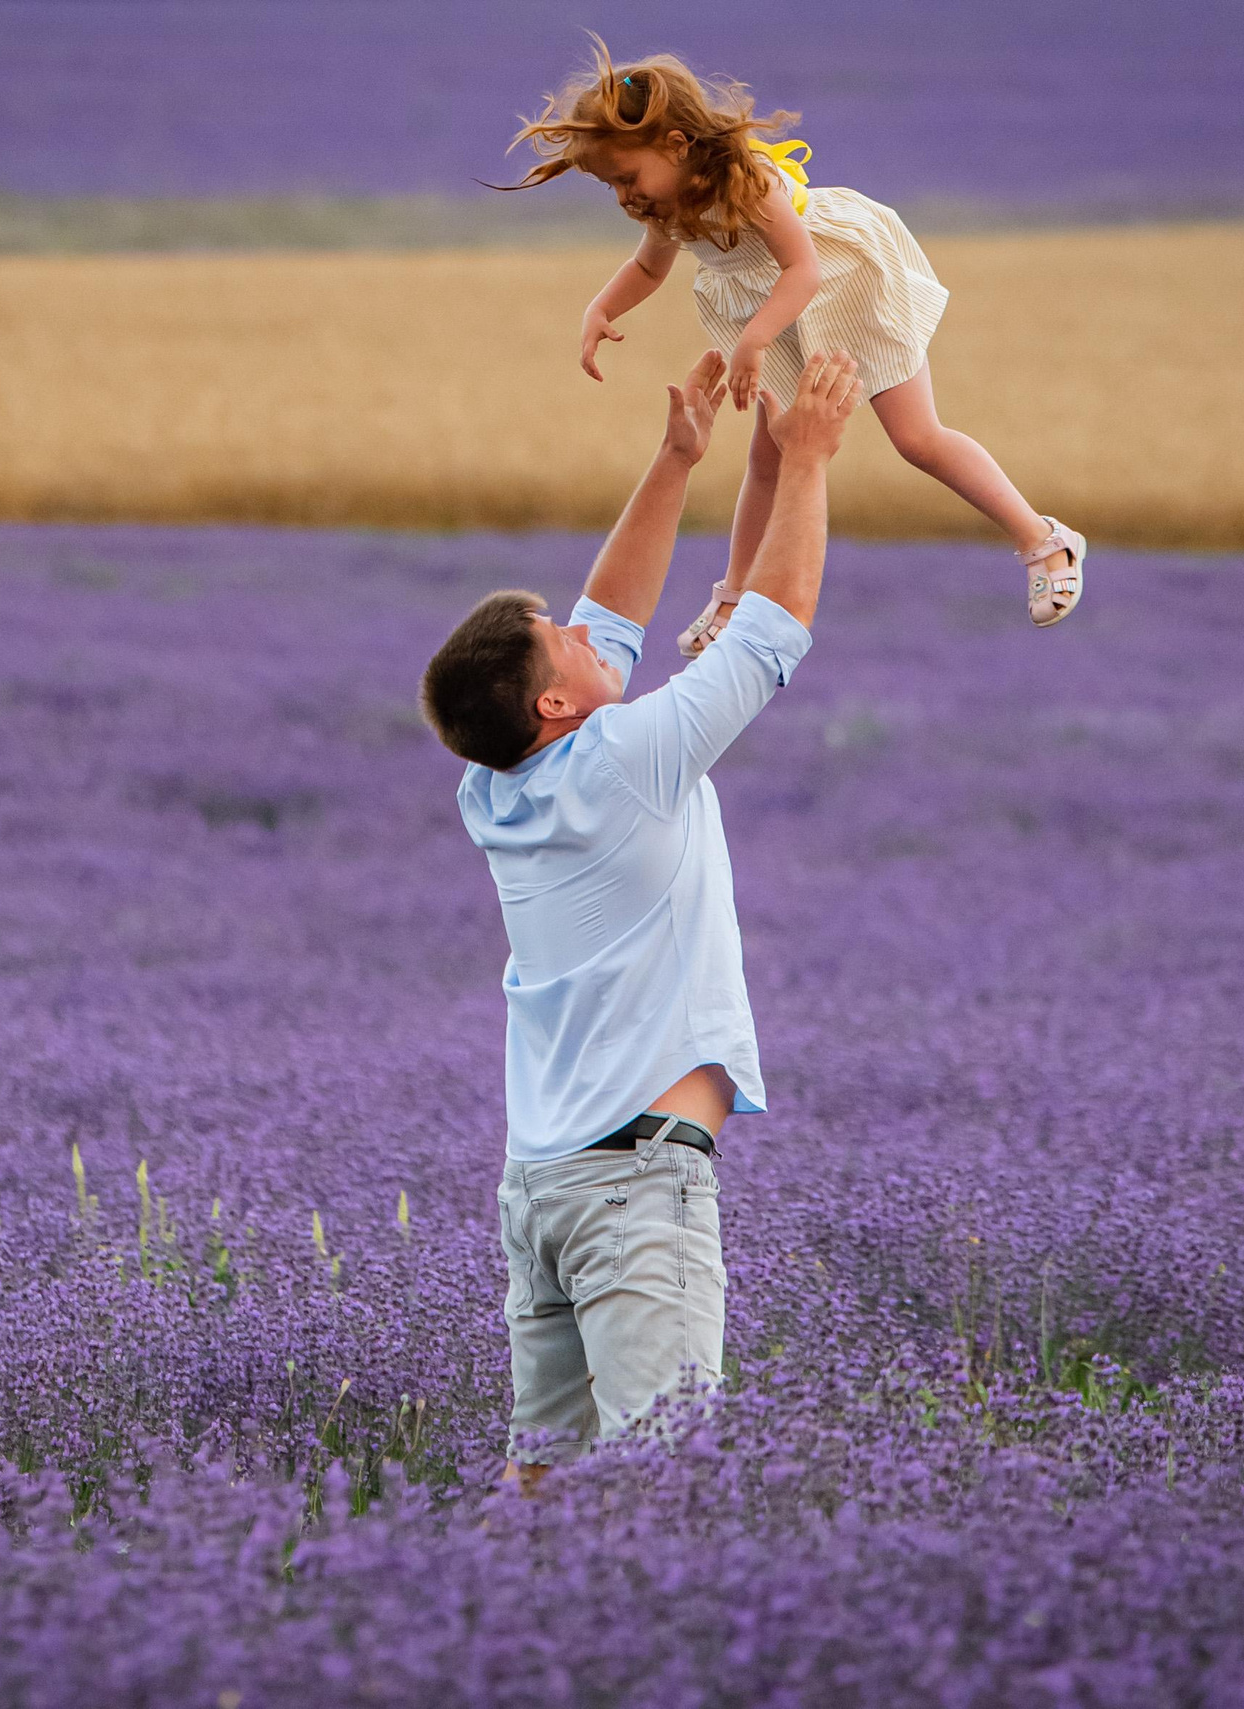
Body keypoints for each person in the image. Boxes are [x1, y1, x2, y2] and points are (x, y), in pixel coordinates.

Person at [418, 347, 862, 1491]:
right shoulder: (625, 757)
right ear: (557, 702)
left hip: (543, 1188)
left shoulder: (495, 783)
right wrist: (806, 460)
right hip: (634, 1191)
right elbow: (775, 627)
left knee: (541, 1482)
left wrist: (675, 461)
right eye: (556, 639)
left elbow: (607, 618)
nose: (580, 630)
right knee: (669, 1483)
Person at [502, 38, 1085, 654]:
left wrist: (752, 341)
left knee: (917, 438)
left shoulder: (744, 182)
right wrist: (601, 308)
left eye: (627, 177)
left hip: (843, 283)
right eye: (610, 187)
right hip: (777, 314)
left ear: (675, 145)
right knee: (769, 456)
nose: (625, 196)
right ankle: (736, 595)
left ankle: (1043, 538)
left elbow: (802, 269)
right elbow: (648, 269)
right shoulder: (664, 204)